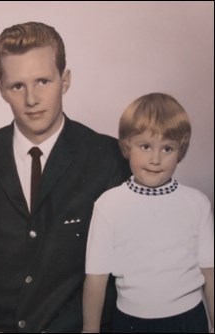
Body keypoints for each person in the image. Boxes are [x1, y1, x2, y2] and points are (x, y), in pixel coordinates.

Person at [0, 22, 130, 333]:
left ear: (66, 80)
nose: (31, 98)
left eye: (43, 81)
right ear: (1, 90)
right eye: (17, 86)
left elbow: (125, 273)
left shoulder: (107, 157)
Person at [82, 93, 214, 333]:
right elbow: (96, 279)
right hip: (131, 322)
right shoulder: (109, 205)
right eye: (145, 146)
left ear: (181, 151)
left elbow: (210, 273)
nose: (155, 159)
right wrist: (90, 329)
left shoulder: (197, 203)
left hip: (188, 321)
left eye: (167, 148)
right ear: (126, 146)